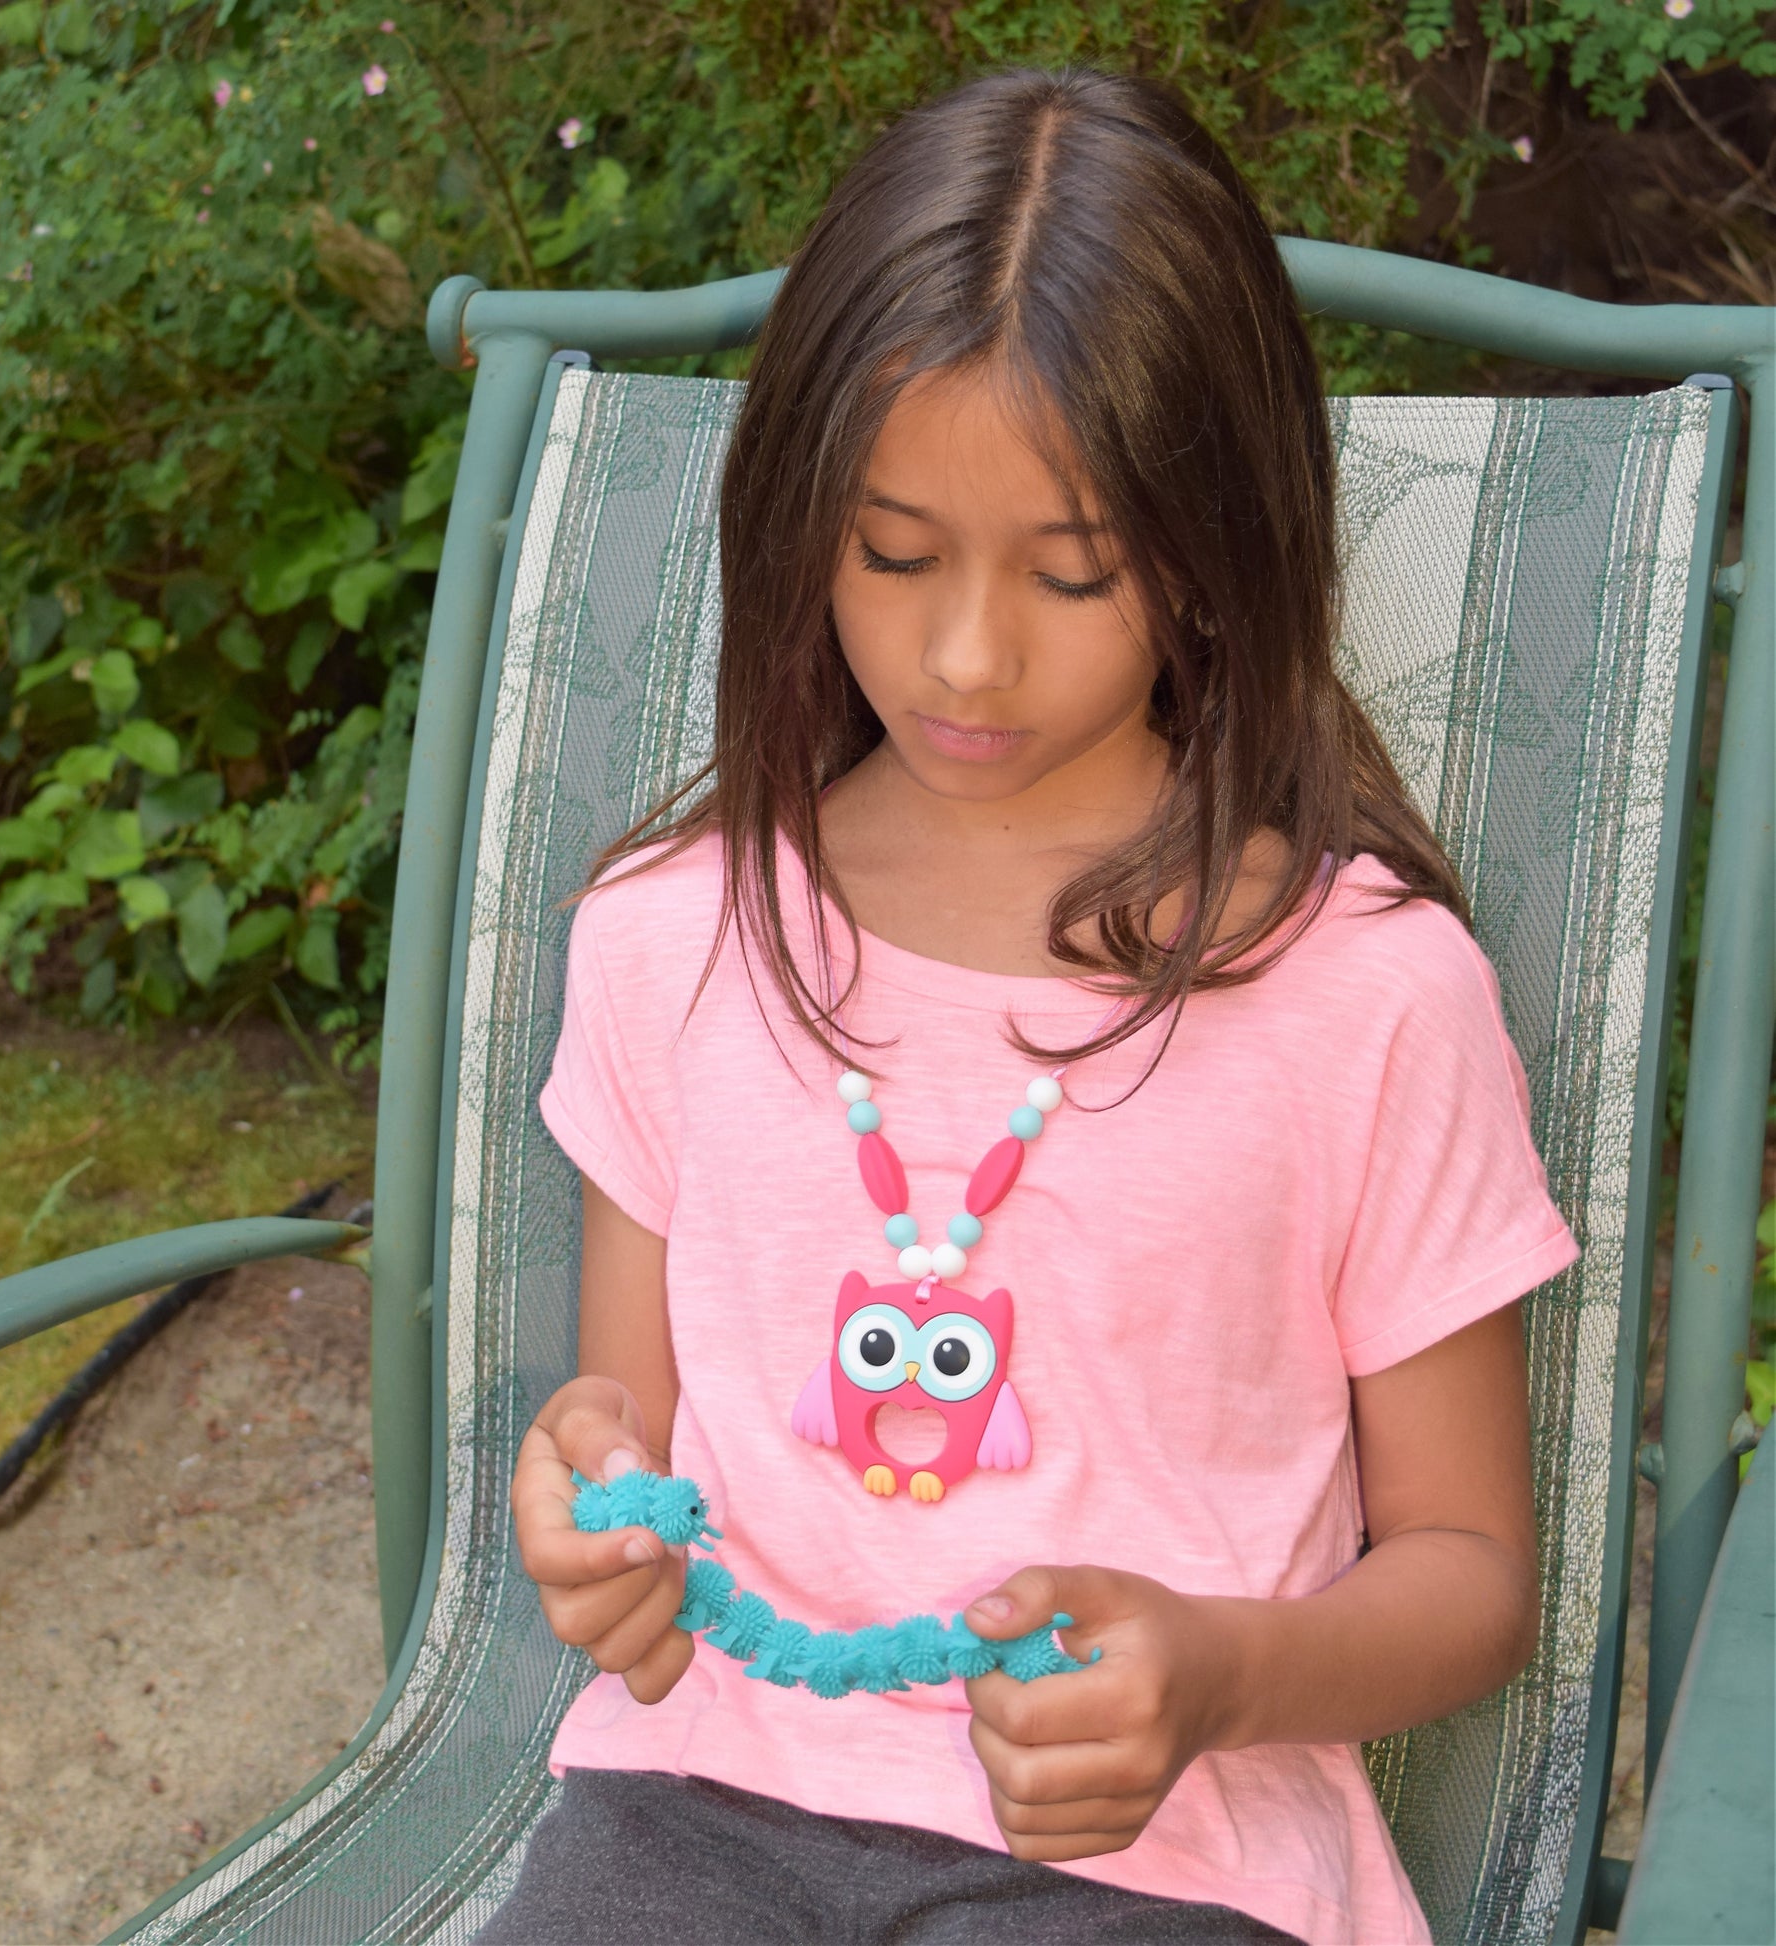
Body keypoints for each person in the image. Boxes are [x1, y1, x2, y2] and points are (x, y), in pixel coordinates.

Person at [486, 65, 1577, 1946]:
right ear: (796, 519)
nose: (965, 653)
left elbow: (1471, 1574)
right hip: (696, 1809)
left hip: (1156, 1860)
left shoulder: (1368, 991)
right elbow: (622, 1420)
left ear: (1215, 552)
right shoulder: (674, 931)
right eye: (891, 554)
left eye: (1072, 572)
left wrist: (1215, 1677)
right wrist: (586, 1497)